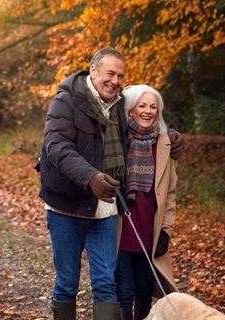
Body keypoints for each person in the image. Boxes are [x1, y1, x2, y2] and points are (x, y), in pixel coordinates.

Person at [38, 47, 184, 320]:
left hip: (105, 209)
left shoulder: (118, 105)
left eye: (120, 76)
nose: (115, 81)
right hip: (66, 206)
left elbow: (143, 124)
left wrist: (170, 134)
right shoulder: (65, 101)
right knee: (68, 283)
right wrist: (90, 177)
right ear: (93, 71)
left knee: (106, 283)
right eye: (110, 73)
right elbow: (57, 146)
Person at [115, 84, 179, 320]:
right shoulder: (118, 141)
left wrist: (166, 231)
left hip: (149, 231)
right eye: (142, 105)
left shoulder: (164, 144)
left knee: (144, 288)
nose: (148, 111)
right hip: (121, 227)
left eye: (153, 107)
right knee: (124, 288)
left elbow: (170, 194)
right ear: (131, 109)